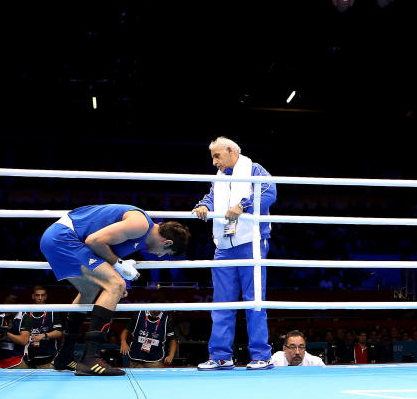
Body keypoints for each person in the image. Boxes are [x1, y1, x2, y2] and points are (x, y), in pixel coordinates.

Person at [39, 204, 190, 376]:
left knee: (91, 290)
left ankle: (64, 356)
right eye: (166, 253)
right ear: (167, 242)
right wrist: (118, 270)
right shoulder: (140, 224)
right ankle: (90, 358)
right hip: (64, 238)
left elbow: (103, 253)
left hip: (64, 239)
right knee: (115, 285)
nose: (161, 256)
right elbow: (94, 241)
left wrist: (117, 273)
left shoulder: (140, 239)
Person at [193, 137, 277, 371]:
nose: (214, 162)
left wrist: (243, 206)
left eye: (217, 156)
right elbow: (213, 196)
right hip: (224, 245)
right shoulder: (220, 177)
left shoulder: (254, 169)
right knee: (222, 303)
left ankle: (262, 355)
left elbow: (270, 192)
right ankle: (220, 356)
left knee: (254, 301)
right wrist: (204, 206)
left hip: (250, 242)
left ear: (231, 151)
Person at [18, 286, 64, 369]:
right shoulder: (25, 312)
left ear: (45, 296)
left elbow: (59, 333)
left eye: (42, 295)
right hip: (28, 359)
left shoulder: (52, 311)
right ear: (33, 296)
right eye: (37, 295)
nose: (40, 298)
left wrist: (43, 335)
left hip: (48, 359)